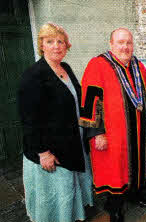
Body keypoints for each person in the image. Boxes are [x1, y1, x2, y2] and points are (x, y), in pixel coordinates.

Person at [18, 22, 93, 222]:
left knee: (70, 188)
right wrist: (43, 153)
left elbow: (76, 99)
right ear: (41, 44)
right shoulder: (33, 75)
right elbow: (29, 120)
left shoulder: (65, 67)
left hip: (70, 141)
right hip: (50, 149)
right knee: (58, 193)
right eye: (50, 41)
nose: (56, 46)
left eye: (61, 42)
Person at [79, 28, 146, 222]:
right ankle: (114, 207)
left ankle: (134, 194)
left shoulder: (138, 66)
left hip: (139, 131)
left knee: (136, 165)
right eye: (120, 42)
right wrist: (97, 132)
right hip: (113, 134)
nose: (125, 46)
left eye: (129, 42)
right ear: (111, 44)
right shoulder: (98, 65)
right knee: (115, 170)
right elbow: (90, 101)